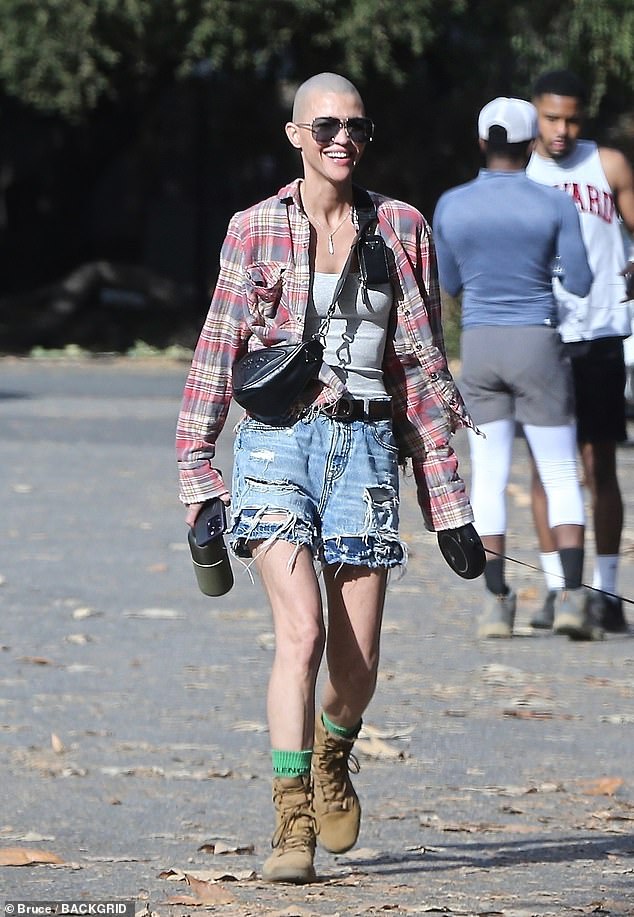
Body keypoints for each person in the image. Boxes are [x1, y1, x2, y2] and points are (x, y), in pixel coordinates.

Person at [176, 72, 476, 884]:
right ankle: (292, 818)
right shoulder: (254, 228)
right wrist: (200, 473)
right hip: (276, 445)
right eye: (325, 125)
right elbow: (217, 351)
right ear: (295, 134)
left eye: (356, 125)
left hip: (369, 449)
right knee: (300, 633)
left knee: (358, 664)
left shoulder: (403, 227)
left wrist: (449, 506)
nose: (341, 137)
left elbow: (419, 367)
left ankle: (333, 751)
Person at [433, 97, 595, 639]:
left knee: (490, 474)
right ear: (530, 146)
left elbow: (450, 283)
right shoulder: (554, 204)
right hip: (537, 343)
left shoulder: (451, 205)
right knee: (558, 470)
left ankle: (496, 601)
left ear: (482, 142)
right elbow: (580, 280)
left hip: (480, 344)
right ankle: (572, 598)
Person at [526, 70, 634, 633]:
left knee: (599, 466)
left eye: (571, 118)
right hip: (543, 334)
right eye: (551, 118)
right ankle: (555, 587)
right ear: (535, 115)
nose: (562, 129)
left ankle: (608, 591)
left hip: (600, 333)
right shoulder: (522, 171)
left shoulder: (608, 165)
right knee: (548, 468)